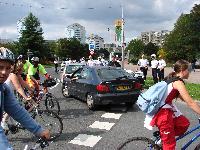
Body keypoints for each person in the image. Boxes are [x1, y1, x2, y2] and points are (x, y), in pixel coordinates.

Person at [0, 47, 50, 149]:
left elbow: (16, 110)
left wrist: (38, 130)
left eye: (8, 68)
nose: (4, 72)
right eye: (0, 67)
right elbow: (18, 88)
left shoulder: (3, 89)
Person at [144, 59, 200, 150]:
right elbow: (190, 103)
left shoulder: (175, 79)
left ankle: (164, 137)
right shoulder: (178, 82)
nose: (190, 72)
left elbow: (187, 100)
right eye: (188, 70)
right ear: (183, 70)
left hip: (168, 111)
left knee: (184, 124)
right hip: (162, 115)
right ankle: (165, 138)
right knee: (170, 146)